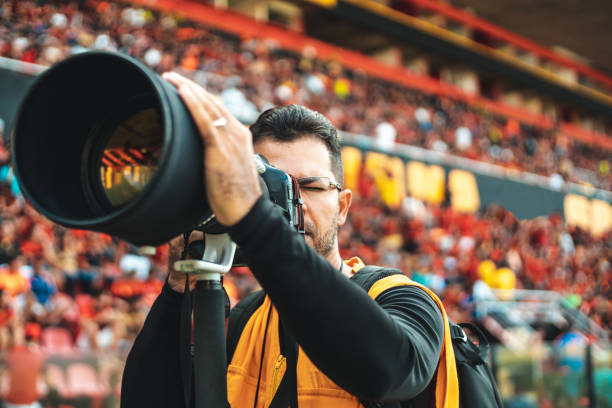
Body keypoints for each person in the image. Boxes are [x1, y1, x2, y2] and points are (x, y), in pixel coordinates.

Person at [121, 73, 453, 407]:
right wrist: (179, 285)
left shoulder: (404, 300)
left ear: (342, 207)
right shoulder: (246, 320)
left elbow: (387, 372)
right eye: (274, 186)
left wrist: (255, 218)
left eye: (309, 185)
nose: (295, 202)